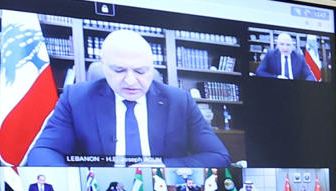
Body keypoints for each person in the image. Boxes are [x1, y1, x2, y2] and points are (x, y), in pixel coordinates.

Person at [25, 31, 230, 166]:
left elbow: (219, 157)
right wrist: (78, 183)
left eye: (141, 71)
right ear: (103, 65)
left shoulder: (179, 101)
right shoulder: (76, 98)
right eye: (119, 70)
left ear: (152, 68)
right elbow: (42, 152)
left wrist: (162, 167)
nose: (130, 81)